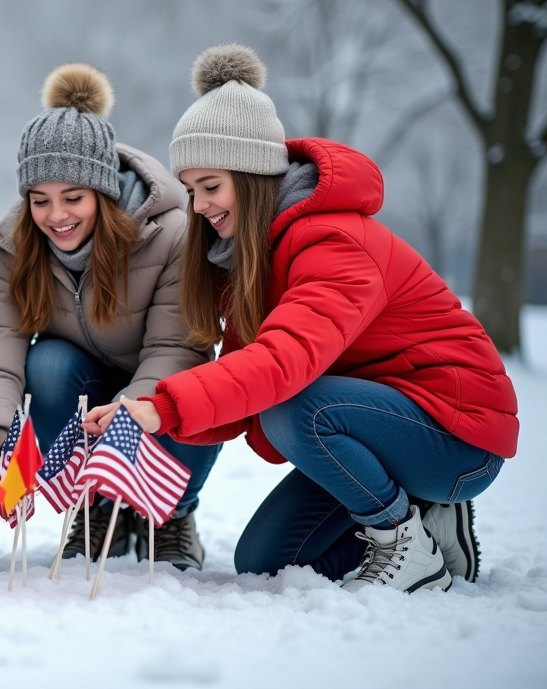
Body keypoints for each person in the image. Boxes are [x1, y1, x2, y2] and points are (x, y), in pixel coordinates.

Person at [83, 44, 518, 592]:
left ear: (255, 174)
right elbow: (245, 389)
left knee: (295, 406)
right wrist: (151, 413)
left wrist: (163, 404)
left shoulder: (333, 239)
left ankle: (403, 542)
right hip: (367, 427)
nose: (198, 207)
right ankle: (423, 517)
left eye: (211, 187)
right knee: (269, 563)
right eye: (191, 191)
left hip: (456, 435)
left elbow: (283, 364)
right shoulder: (249, 261)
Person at [0, 64, 217, 570]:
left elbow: (176, 349)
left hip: (157, 387)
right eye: (40, 200)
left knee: (193, 386)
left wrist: (128, 413)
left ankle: (170, 514)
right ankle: (97, 503)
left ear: (103, 191)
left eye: (73, 198)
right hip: (81, 383)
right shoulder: (14, 246)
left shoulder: (171, 235)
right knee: (48, 365)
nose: (56, 215)